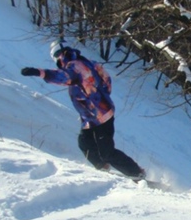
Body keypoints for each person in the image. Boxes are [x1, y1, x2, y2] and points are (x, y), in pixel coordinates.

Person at [21, 40, 146, 180]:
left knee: (106, 151)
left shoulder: (74, 66)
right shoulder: (88, 62)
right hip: (92, 116)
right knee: (84, 143)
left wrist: (40, 72)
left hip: (99, 116)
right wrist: (102, 95)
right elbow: (106, 79)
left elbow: (64, 77)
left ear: (60, 55)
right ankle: (103, 167)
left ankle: (136, 172)